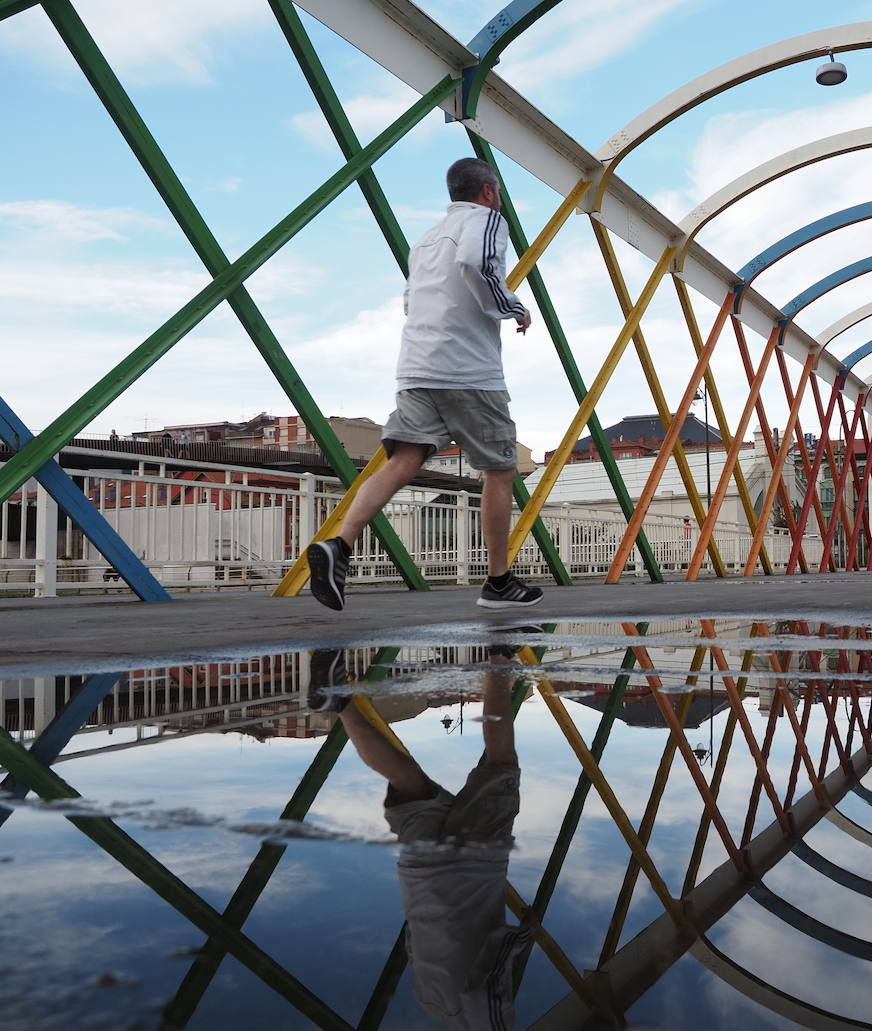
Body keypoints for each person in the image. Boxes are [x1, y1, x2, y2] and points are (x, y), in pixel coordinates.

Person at [304, 158, 541, 611]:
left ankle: (340, 544)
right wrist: (513, 308)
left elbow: (411, 299)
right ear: (488, 192)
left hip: (416, 366)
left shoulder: (427, 239)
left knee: (401, 462)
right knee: (500, 468)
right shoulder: (488, 220)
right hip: (467, 371)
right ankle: (498, 581)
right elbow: (475, 262)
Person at [309, 644, 530, 1030]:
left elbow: (489, 986)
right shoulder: (430, 1002)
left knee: (500, 763)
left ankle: (498, 660)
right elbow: (414, 944)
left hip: (476, 867)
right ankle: (339, 702)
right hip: (422, 878)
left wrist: (522, 937)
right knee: (408, 782)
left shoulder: (483, 1026)